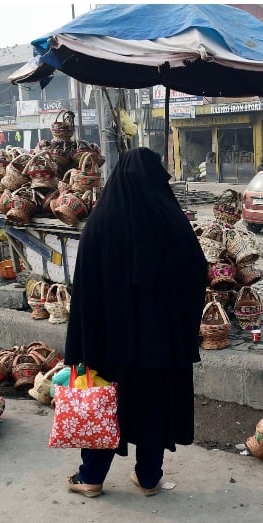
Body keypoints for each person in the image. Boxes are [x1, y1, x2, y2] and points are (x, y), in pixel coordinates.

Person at [63, 147, 208, 498]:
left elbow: (84, 287)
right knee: (154, 406)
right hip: (159, 344)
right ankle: (148, 477)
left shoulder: (101, 221)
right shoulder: (170, 219)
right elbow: (197, 271)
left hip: (110, 342)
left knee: (106, 402)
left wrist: (84, 340)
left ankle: (92, 476)